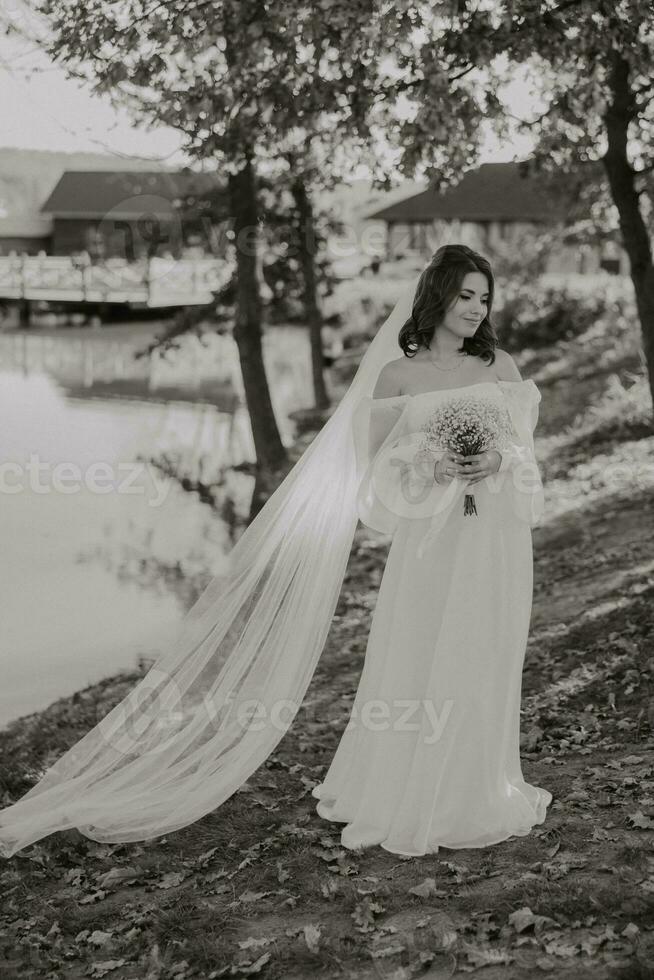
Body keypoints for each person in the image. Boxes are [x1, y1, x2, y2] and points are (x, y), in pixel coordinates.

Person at [0, 244, 549, 859]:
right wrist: (431, 463)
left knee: (484, 655)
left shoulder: (500, 366)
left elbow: (525, 455)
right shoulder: (397, 376)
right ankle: (414, 793)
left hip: (494, 541)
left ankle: (477, 788)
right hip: (430, 545)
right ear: (437, 296)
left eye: (483, 297)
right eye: (464, 294)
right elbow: (377, 473)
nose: (475, 308)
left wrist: (497, 459)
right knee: (424, 655)